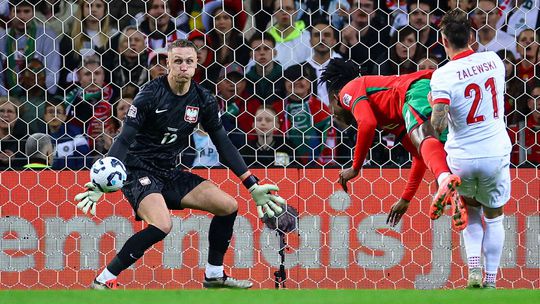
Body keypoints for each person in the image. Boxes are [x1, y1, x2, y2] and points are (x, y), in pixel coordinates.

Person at [74, 39, 285, 290]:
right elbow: (125, 138)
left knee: (228, 206)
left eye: (189, 61)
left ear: (196, 66)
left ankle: (214, 274)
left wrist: (251, 184)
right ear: (168, 64)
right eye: (178, 61)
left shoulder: (203, 99)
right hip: (138, 171)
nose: (183, 66)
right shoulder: (149, 95)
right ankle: (104, 279)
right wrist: (103, 181)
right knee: (162, 225)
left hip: (169, 172)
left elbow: (223, 144)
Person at [320, 58, 465, 229]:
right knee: (437, 149)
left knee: (426, 140)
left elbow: (367, 124)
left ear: (336, 98)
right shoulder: (389, 115)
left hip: (415, 91)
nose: (333, 114)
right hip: (433, 90)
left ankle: (445, 181)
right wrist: (405, 199)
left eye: (331, 106)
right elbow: (419, 157)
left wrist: (355, 168)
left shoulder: (348, 90)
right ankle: (457, 192)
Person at [429, 9, 512, 289]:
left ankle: (473, 268)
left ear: (443, 40)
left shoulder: (442, 76)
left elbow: (437, 124)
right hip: (495, 152)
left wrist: (434, 103)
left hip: (462, 156)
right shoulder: (493, 61)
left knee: (471, 212)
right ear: (471, 36)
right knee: (495, 216)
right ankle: (490, 282)